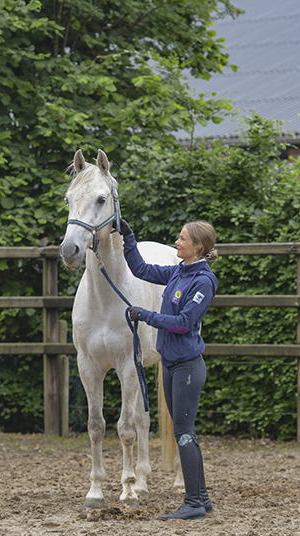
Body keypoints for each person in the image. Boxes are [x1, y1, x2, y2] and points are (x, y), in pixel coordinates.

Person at [116, 217, 218, 520]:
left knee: (184, 433)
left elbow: (184, 322)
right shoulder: (178, 272)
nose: (177, 242)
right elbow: (142, 270)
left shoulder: (203, 280)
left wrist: (146, 315)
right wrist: (129, 239)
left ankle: (193, 502)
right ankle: (201, 499)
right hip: (171, 364)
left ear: (197, 247)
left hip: (187, 367)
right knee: (183, 431)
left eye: (182, 238)